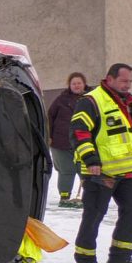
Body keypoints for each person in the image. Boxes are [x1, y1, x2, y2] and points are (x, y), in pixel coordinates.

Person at [70, 63, 132, 263]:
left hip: (126, 172)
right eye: (124, 81)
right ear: (109, 79)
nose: (128, 85)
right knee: (94, 215)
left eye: (130, 81)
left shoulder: (129, 102)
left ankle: (120, 257)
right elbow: (79, 132)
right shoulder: (91, 101)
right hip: (99, 173)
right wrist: (91, 160)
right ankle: (85, 259)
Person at [47, 72, 89, 207]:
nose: (76, 86)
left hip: (84, 142)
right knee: (66, 170)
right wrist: (49, 135)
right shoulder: (61, 100)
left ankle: (88, 197)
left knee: (85, 170)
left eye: (79, 83)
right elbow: (50, 117)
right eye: (73, 83)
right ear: (69, 85)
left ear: (84, 84)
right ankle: (64, 197)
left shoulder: (91, 99)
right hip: (61, 142)